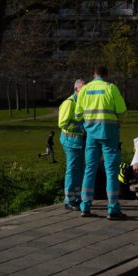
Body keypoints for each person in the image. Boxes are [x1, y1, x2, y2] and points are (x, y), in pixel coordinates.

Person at [75, 65, 128, 220]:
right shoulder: (111, 88)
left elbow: (78, 115)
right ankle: (112, 209)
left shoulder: (84, 90)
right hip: (109, 133)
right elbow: (123, 112)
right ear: (106, 75)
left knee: (89, 169)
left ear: (94, 74)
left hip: (91, 134)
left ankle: (85, 206)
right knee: (111, 171)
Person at [58, 79, 85, 210]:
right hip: (71, 142)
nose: (85, 92)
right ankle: (69, 200)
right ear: (76, 89)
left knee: (79, 171)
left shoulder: (82, 101)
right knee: (73, 170)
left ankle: (76, 197)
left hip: (79, 142)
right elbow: (62, 123)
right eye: (82, 89)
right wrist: (81, 127)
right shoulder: (69, 103)